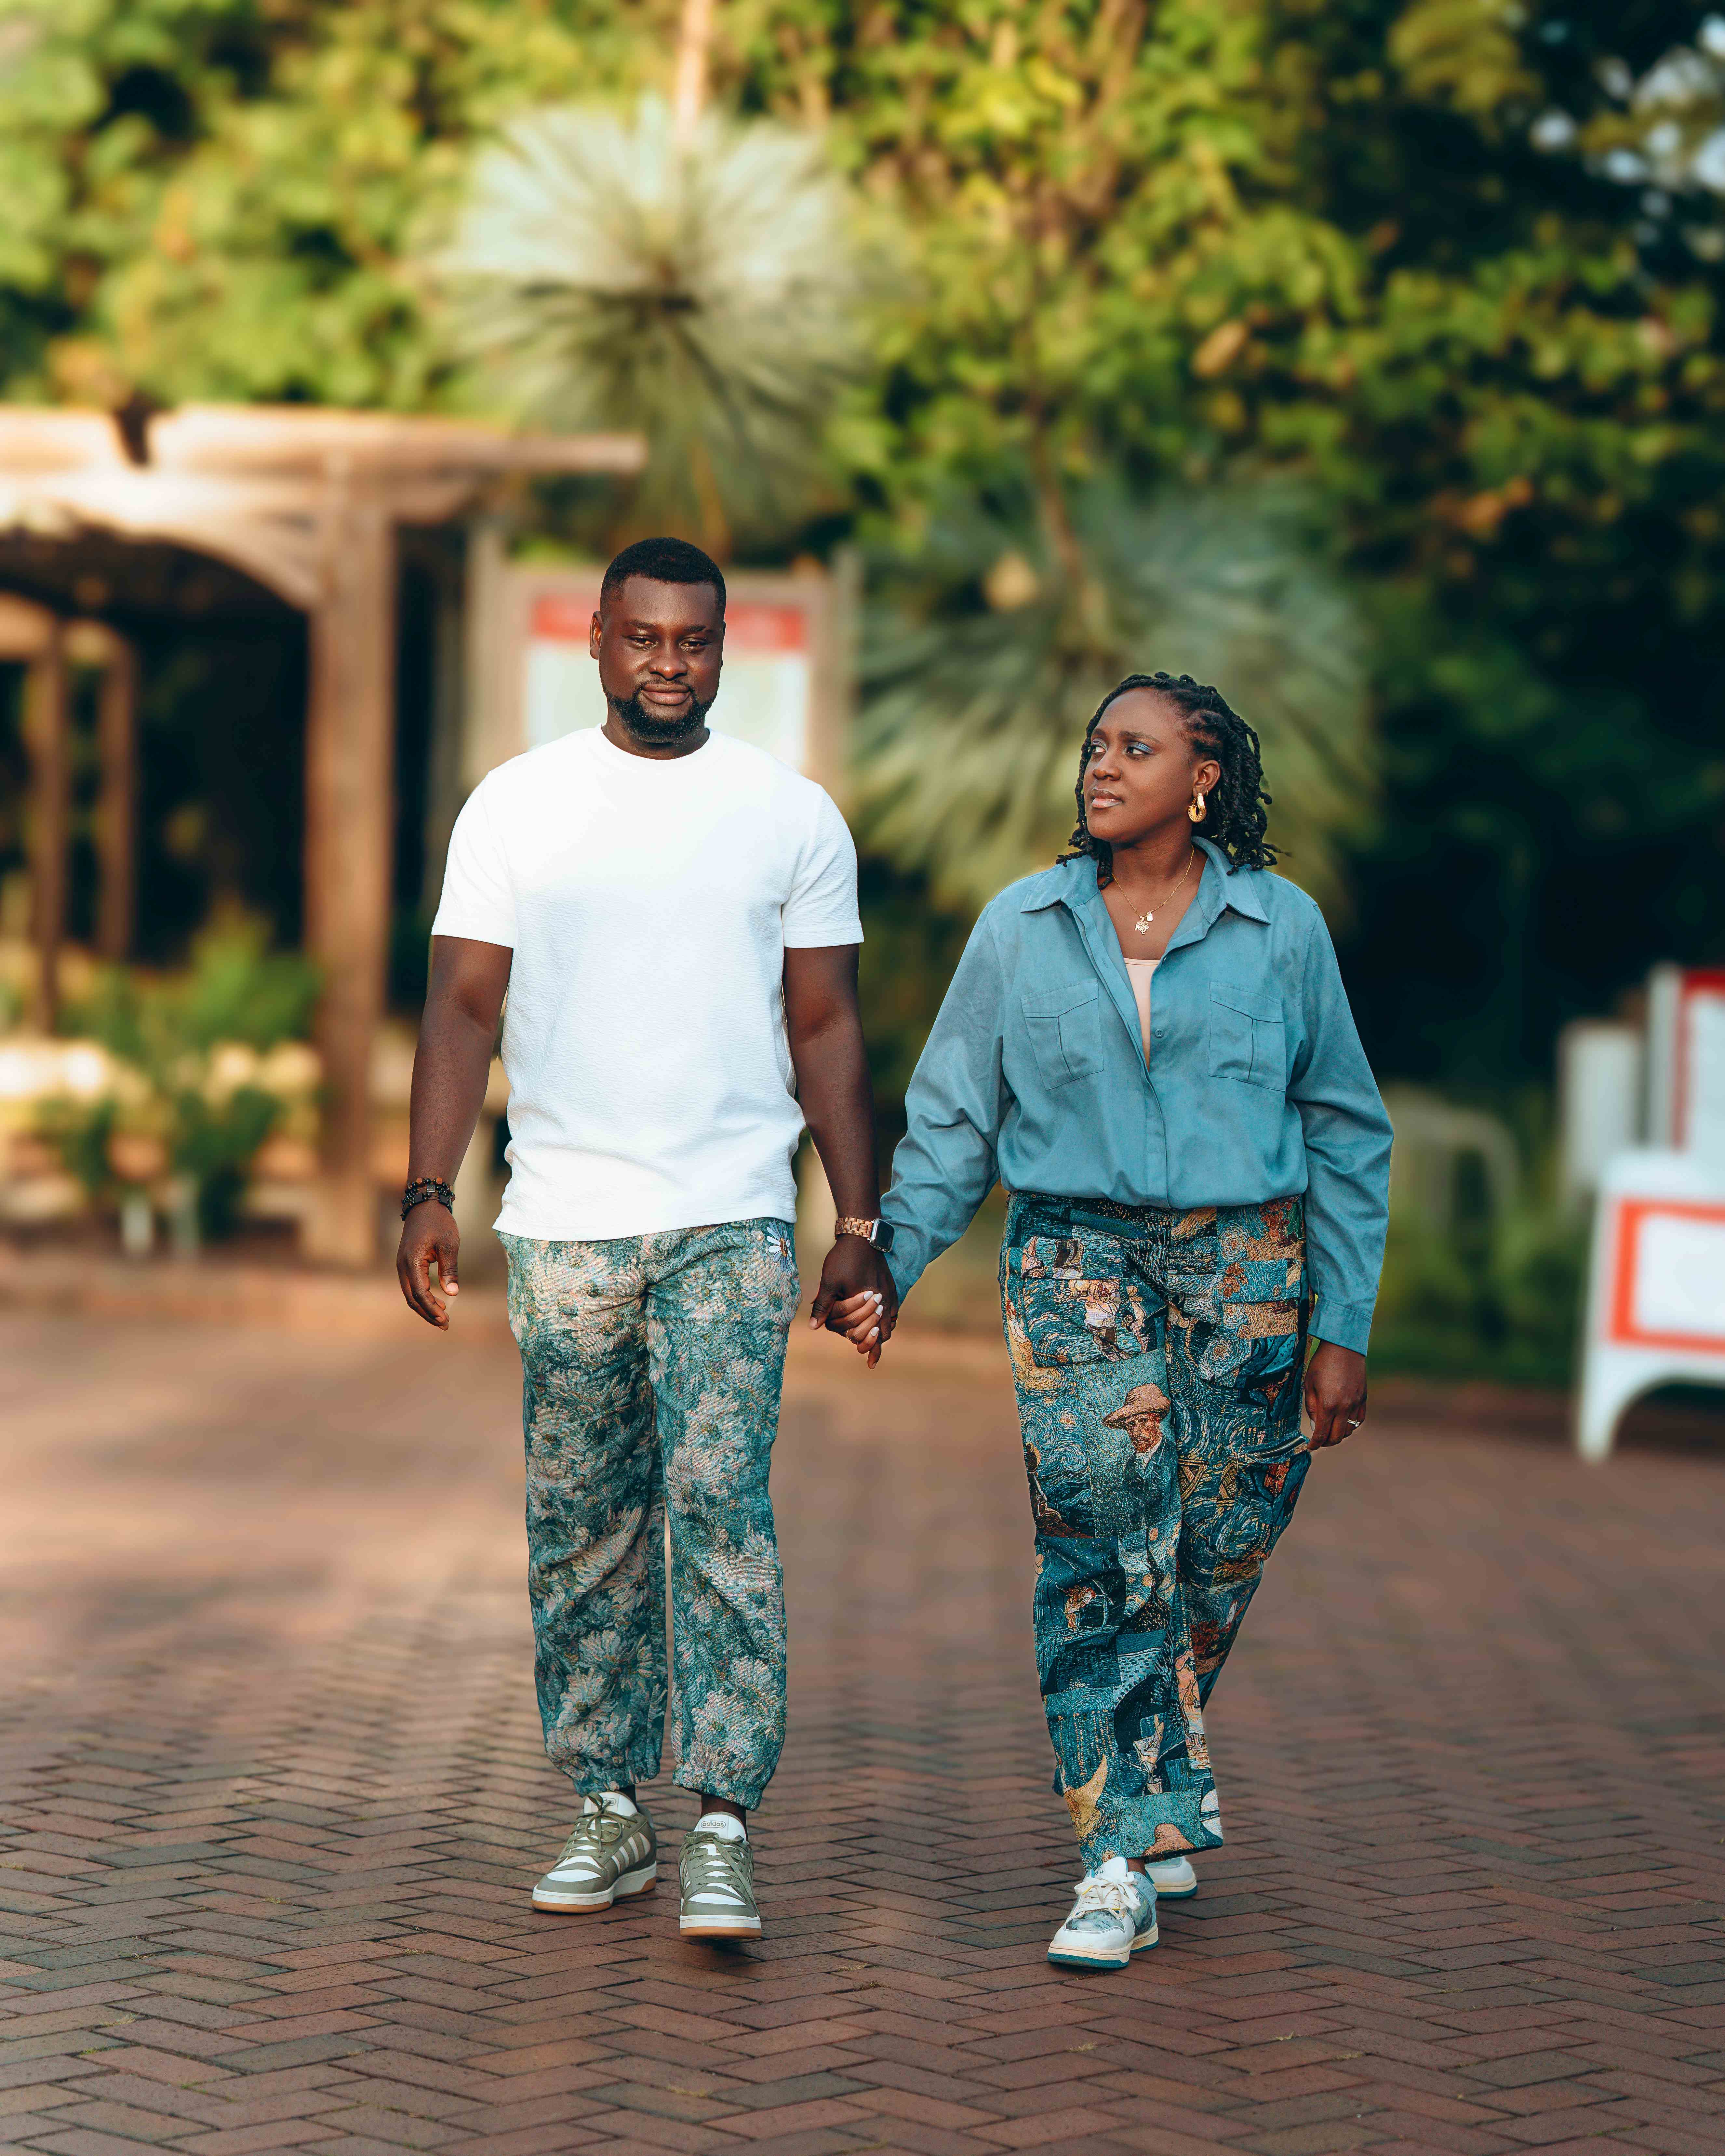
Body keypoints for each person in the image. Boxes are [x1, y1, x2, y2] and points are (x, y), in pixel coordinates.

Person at [829, 670, 1392, 1971]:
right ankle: (1115, 1849)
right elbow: (958, 1116)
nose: (1103, 765)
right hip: (1073, 1257)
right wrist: (889, 1259)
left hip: (1248, 1268)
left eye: (1136, 747)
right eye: (1095, 745)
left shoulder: (1281, 928)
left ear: (1201, 780)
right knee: (1097, 1533)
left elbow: (1348, 1130)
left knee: (1222, 1538)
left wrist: (1343, 1318)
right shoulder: (1021, 927)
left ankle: (1156, 1762)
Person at [397, 536, 897, 1942]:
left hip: (732, 1213)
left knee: (721, 1500)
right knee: (583, 1519)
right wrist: (426, 1186)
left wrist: (856, 1221)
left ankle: (725, 1816)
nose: (668, 661)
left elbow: (828, 1026)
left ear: (723, 648)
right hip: (564, 1220)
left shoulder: (789, 815)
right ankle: (610, 1806)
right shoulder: (519, 805)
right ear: (601, 644)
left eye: (695, 639)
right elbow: (460, 1007)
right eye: (644, 637)